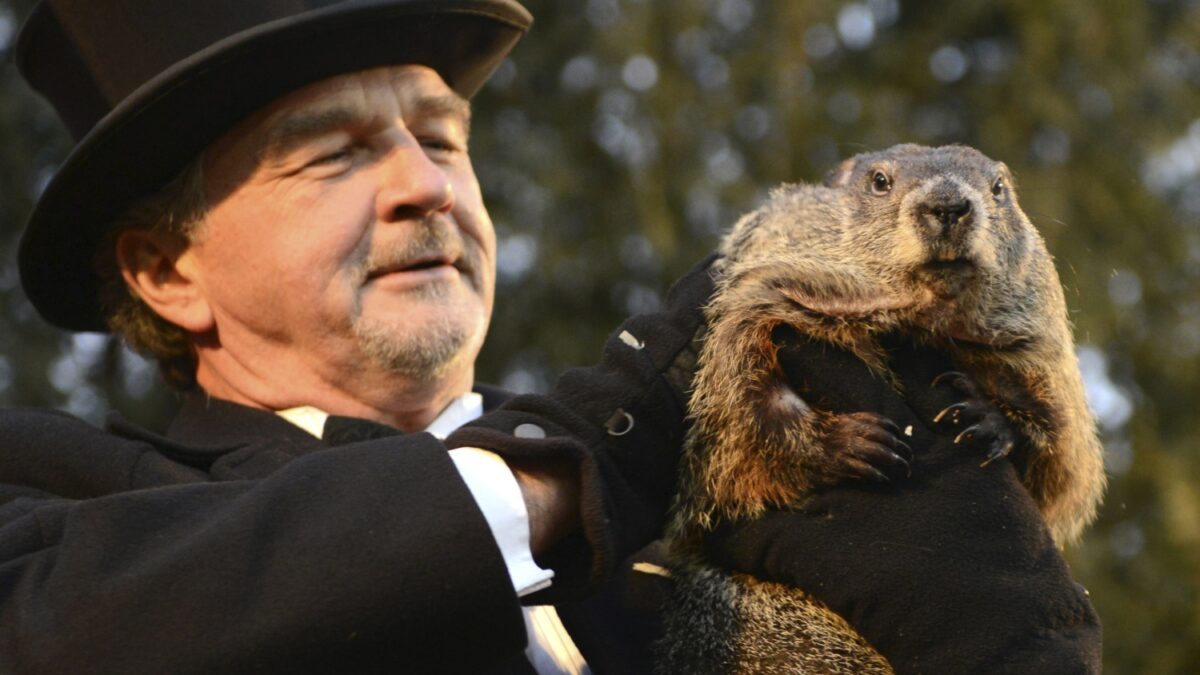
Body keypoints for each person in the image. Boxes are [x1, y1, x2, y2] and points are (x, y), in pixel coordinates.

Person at [0, 1, 1100, 673]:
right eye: (332, 154)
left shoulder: (672, 548)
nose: (425, 188)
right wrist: (575, 459)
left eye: (443, 137)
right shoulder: (62, 508)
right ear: (167, 269)